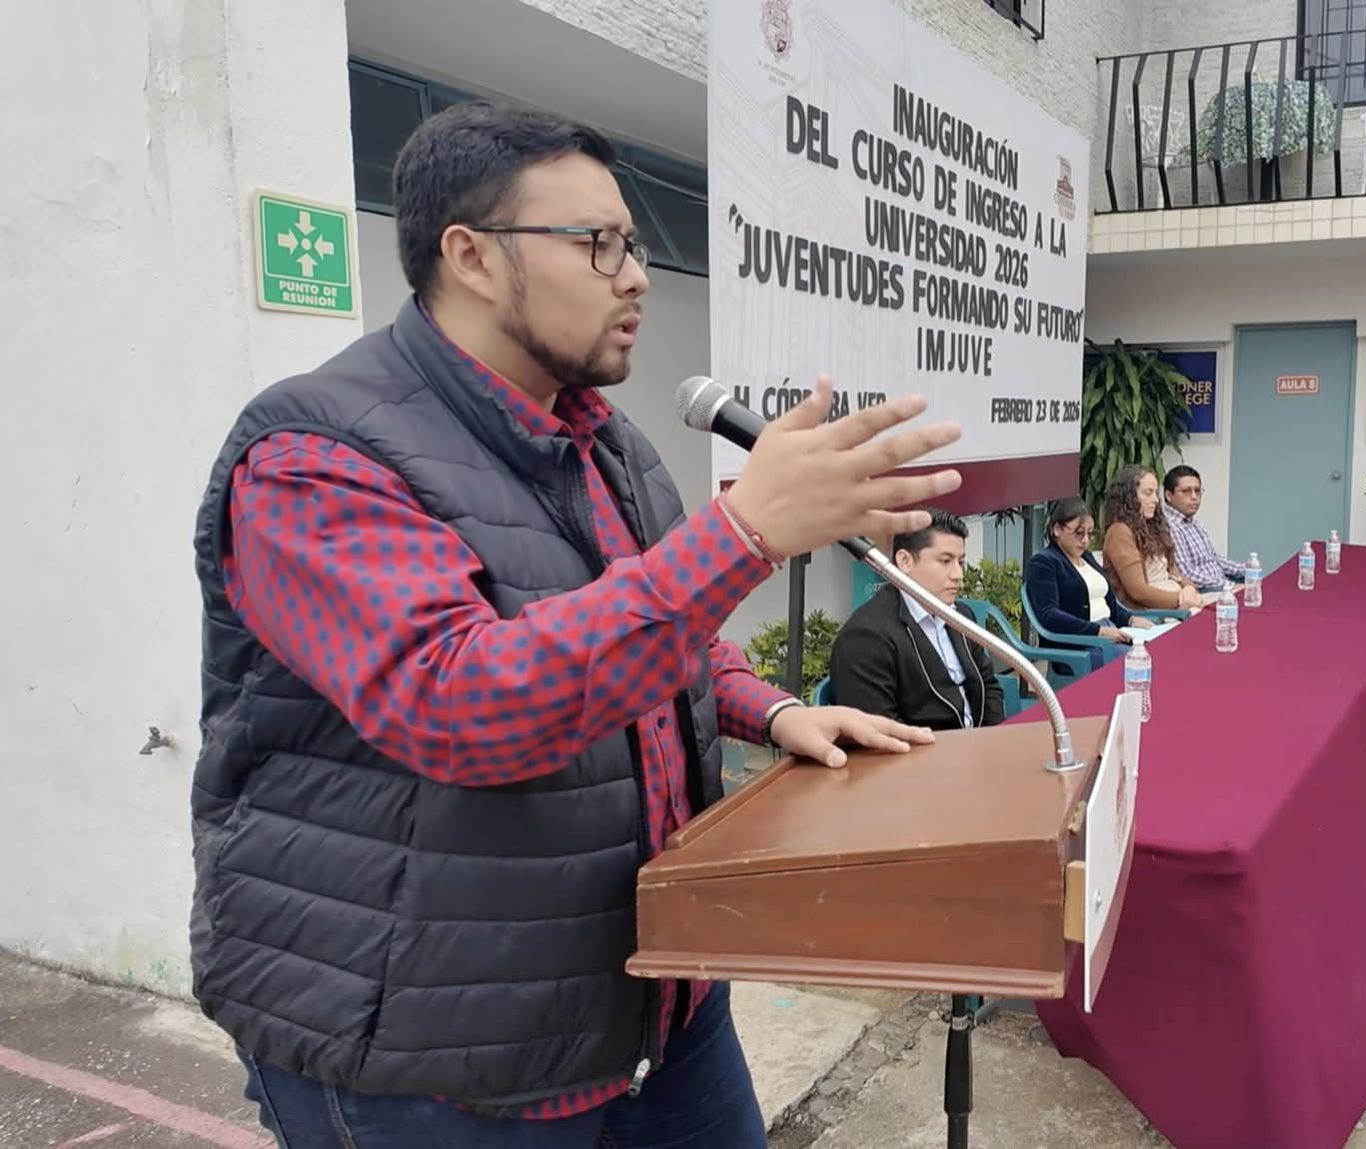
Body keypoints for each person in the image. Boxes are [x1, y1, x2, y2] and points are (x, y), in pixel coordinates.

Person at [189, 102, 963, 1147]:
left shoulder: (605, 440)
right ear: (469, 255)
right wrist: (742, 532)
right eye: (598, 245)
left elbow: (662, 633)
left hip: (654, 1004)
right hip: (439, 1052)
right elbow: (459, 703)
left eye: (634, 245)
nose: (636, 276)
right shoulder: (314, 458)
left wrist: (774, 711)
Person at [829, 509, 1005, 731]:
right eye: (945, 561)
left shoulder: (960, 616)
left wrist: (994, 738)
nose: (958, 574)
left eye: (961, 562)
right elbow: (881, 731)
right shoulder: (866, 638)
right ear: (904, 561)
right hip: (924, 757)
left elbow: (988, 685)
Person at [1025, 497, 1152, 670]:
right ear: (1057, 529)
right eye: (1079, 533)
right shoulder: (1044, 562)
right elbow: (1049, 615)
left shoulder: (1087, 558)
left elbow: (1110, 605)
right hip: (1081, 644)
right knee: (1143, 662)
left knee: (1158, 650)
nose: (1085, 540)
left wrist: (1131, 619)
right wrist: (1098, 631)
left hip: (1110, 631)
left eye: (1090, 533)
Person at [1100, 466, 1205, 612]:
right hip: (1154, 613)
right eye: (1148, 493)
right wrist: (1180, 598)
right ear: (1130, 496)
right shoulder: (1119, 532)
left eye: (1156, 493)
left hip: (1178, 603)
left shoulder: (1153, 527)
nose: (1155, 500)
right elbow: (1138, 591)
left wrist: (1189, 589)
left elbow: (1172, 571)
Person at [1160, 465, 1246, 593]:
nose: (1194, 497)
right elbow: (1186, 573)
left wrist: (1245, 570)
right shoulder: (1170, 526)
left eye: (1197, 490)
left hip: (1221, 586)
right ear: (1168, 495)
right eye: (1186, 491)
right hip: (1205, 591)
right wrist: (1228, 587)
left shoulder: (1192, 523)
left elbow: (1215, 559)